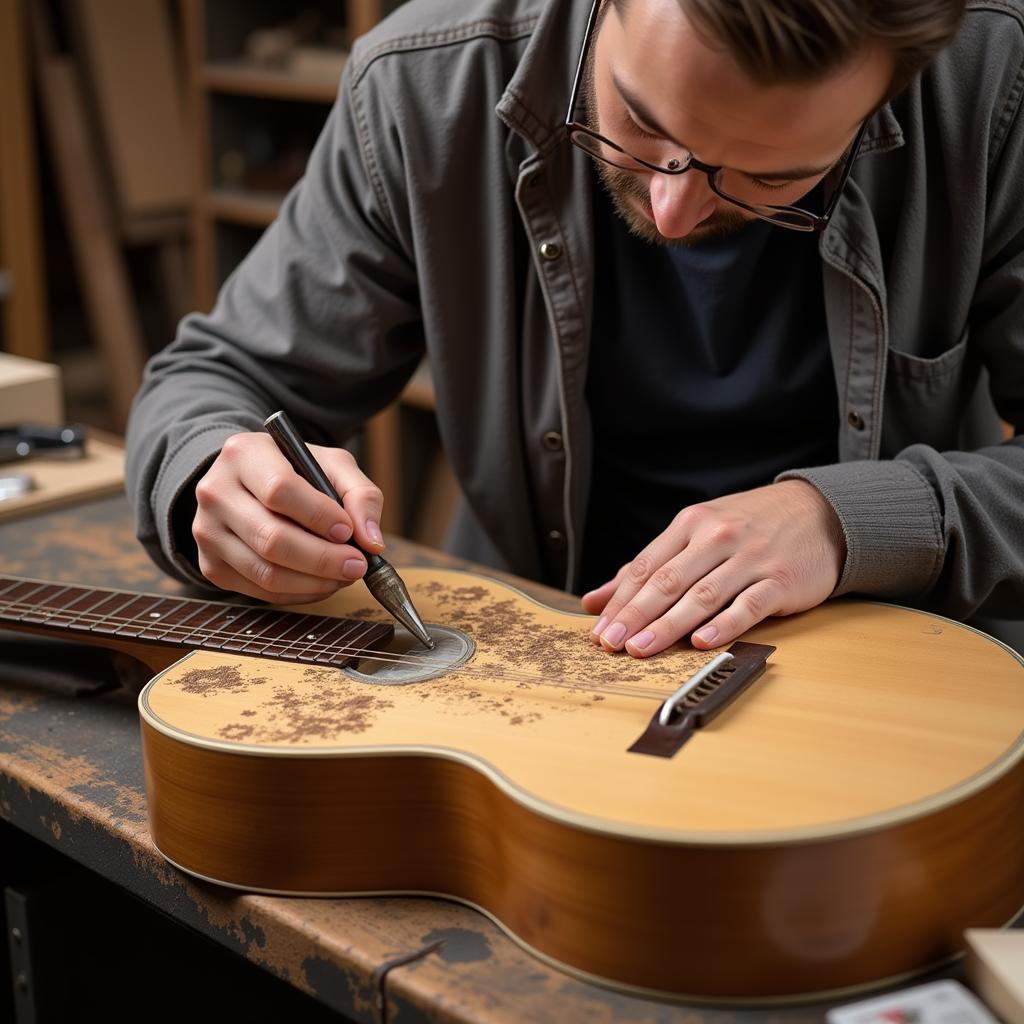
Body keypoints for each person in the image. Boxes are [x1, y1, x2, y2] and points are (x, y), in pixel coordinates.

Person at [126, 0, 1024, 659]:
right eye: (640, 119)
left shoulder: (993, 84)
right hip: (539, 663)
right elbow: (215, 377)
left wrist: (847, 524)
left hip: (899, 683)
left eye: (771, 178)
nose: (672, 209)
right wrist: (214, 473)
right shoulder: (421, 88)